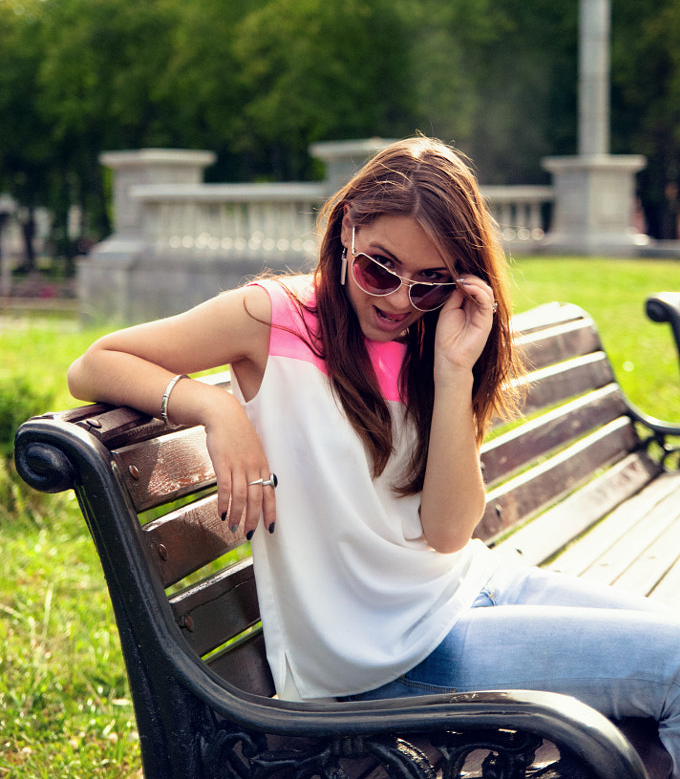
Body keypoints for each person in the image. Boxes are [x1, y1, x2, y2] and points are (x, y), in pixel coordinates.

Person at [68, 136, 680, 773]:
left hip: (470, 589)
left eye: (429, 283)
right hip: (385, 657)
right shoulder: (272, 318)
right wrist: (215, 408)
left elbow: (447, 533)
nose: (396, 300)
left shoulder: (432, 341)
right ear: (347, 233)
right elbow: (94, 365)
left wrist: (453, 371)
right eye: (378, 269)